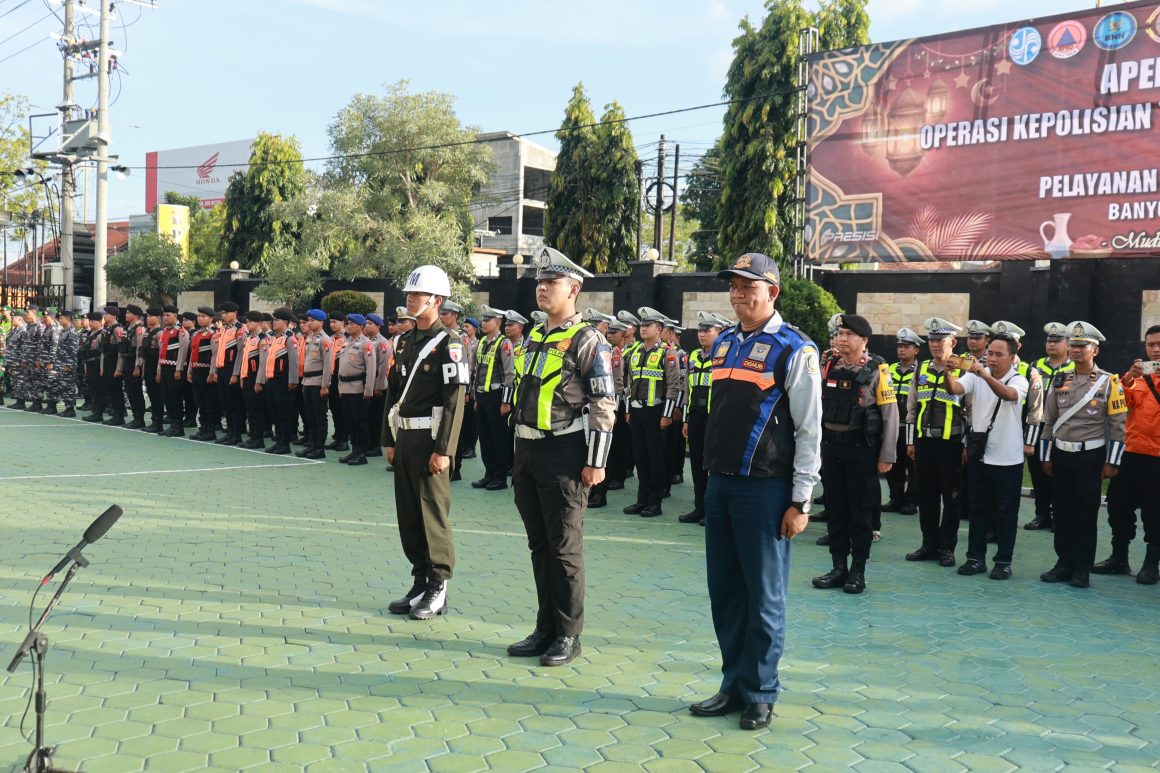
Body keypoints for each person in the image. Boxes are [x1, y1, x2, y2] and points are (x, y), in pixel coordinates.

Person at [688, 252, 821, 731]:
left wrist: (800, 499)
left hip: (765, 491)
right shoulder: (724, 343)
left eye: (750, 286)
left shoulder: (795, 349)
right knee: (725, 592)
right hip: (720, 487)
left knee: (764, 597)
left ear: (773, 292)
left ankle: (762, 692)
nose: (740, 293)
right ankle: (733, 684)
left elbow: (809, 430)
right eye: (735, 286)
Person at [506, 247, 616, 667]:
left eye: (550, 282)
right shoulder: (535, 335)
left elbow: (604, 402)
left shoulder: (588, 339)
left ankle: (569, 635)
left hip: (565, 452)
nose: (542, 288)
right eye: (539, 282)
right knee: (539, 546)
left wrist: (596, 460)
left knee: (564, 548)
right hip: (527, 449)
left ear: (574, 288)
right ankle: (545, 628)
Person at [382, 265, 468, 620]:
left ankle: (438, 585)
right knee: (409, 514)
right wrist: (388, 438)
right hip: (405, 435)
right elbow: (393, 392)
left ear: (435, 300)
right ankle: (419, 581)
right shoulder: (404, 341)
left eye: (416, 295)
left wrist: (444, 450)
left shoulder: (450, 343)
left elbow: (454, 401)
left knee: (432, 514)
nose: (410, 299)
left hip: (431, 439)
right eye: (409, 294)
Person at [811, 314, 897, 594]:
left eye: (849, 334)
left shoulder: (877, 371)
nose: (842, 339)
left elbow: (889, 416)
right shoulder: (829, 366)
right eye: (840, 334)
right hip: (831, 449)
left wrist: (887, 456)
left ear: (864, 340)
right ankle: (838, 567)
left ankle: (857, 571)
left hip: (861, 450)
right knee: (836, 510)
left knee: (860, 513)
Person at [1039, 322, 1127, 589]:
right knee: (1062, 512)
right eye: (1073, 345)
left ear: (1095, 350)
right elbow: (1049, 420)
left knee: (1086, 515)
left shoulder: (1109, 382)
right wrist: (1045, 456)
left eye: (1082, 345)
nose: (1076, 350)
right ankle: (1063, 563)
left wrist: (1112, 462)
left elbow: (1118, 426)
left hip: (1090, 457)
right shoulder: (1059, 379)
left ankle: (1081, 569)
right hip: (1062, 456)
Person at [945, 334, 1029, 580]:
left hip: (1008, 459)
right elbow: (956, 390)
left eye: (998, 354)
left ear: (1012, 358)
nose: (992, 358)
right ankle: (975, 558)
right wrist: (948, 373)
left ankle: (1003, 561)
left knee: (1006, 513)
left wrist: (985, 375)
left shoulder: (1019, 379)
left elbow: (1009, 395)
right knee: (977, 510)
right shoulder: (975, 374)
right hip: (980, 456)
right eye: (990, 353)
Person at [1092, 324, 1160, 583]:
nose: (1155, 350)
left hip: (1157, 457)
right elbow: (1118, 403)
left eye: (1159, 345)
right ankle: (1119, 557)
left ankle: (1151, 563)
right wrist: (1129, 377)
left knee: (1155, 513)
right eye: (1150, 345)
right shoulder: (1139, 378)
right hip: (1130, 453)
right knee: (1118, 507)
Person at [905, 317, 967, 568]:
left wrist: (965, 445)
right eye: (931, 340)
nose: (935, 345)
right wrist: (911, 441)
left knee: (950, 499)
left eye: (940, 340)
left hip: (951, 444)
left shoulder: (963, 369)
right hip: (924, 443)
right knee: (927, 496)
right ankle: (929, 544)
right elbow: (911, 407)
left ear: (952, 342)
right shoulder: (922, 368)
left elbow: (971, 410)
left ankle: (947, 548)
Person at [623, 307, 682, 517]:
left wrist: (667, 415)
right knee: (640, 457)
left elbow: (673, 386)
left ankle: (654, 503)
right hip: (637, 412)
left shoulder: (668, 352)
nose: (643, 329)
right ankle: (641, 500)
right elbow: (629, 383)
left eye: (648, 326)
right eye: (642, 325)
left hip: (656, 412)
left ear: (659, 329)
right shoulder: (636, 351)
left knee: (655, 459)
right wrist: (629, 409)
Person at [1024, 322, 1075, 530]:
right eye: (1049, 341)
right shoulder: (1036, 367)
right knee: (1037, 471)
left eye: (1057, 341)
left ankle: (1060, 515)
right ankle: (1042, 513)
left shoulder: (1075, 368)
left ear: (1068, 344)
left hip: (1064, 429)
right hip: (1039, 427)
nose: (1052, 345)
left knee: (1061, 473)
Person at [679, 312, 727, 525]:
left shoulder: (724, 357)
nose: (702, 334)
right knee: (697, 464)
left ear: (719, 332)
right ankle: (700, 508)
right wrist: (687, 419)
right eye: (700, 330)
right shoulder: (693, 356)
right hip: (696, 417)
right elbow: (688, 389)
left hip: (715, 419)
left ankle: (714, 511)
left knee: (714, 466)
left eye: (707, 330)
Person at [472, 306, 514, 491]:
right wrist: (475, 397)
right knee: (485, 438)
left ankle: (500, 477)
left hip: (497, 397)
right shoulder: (481, 342)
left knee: (499, 439)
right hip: (482, 396)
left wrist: (505, 401)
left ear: (498, 323)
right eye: (483, 320)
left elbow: (509, 374)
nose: (483, 323)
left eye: (488, 320)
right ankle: (489, 474)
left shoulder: (504, 343)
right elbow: (476, 370)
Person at [884, 328, 922, 515]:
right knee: (894, 465)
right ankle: (895, 499)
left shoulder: (921, 371)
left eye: (906, 346)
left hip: (913, 427)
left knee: (913, 467)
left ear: (916, 350)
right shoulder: (889, 369)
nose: (901, 350)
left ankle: (911, 501)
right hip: (893, 426)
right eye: (899, 346)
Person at [256, 308, 300, 455]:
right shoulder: (274, 338)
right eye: (273, 320)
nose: (274, 322)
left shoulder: (290, 338)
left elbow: (294, 361)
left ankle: (285, 443)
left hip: (283, 381)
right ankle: (279, 440)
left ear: (286, 322)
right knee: (274, 412)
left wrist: (293, 380)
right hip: (272, 380)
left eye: (277, 320)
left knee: (283, 413)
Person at [335, 312, 376, 465]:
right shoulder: (347, 342)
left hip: (358, 388)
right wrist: (339, 386)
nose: (349, 326)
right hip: (345, 387)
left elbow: (371, 369)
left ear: (361, 326)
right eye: (348, 323)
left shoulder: (366, 344)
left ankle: (362, 454)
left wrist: (368, 390)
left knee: (360, 423)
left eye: (353, 324)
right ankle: (354, 451)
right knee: (349, 422)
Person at [297, 309, 333, 459]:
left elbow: (328, 365)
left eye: (312, 320)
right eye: (309, 320)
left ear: (320, 322)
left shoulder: (325, 340)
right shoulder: (310, 338)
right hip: (308, 381)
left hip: (318, 382)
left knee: (319, 416)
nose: (309, 322)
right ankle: (311, 445)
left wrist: (325, 385)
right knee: (309, 416)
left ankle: (319, 448)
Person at [210, 301, 246, 445]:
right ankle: (230, 432)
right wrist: (217, 370)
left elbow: (240, 354)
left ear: (235, 313)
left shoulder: (240, 329)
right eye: (222, 313)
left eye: (226, 312)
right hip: (223, 369)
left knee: (235, 403)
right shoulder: (224, 329)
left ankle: (236, 433)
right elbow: (219, 352)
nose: (224, 315)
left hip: (232, 370)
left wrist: (236, 374)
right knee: (225, 403)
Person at [187, 306, 222, 441]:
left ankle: (210, 430)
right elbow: (192, 355)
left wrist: (212, 372)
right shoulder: (196, 334)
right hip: (196, 370)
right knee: (199, 401)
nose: (200, 319)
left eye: (203, 316)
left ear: (211, 319)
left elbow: (215, 355)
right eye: (199, 316)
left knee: (209, 402)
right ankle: (203, 428)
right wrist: (190, 370)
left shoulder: (213, 334)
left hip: (206, 371)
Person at [235, 310, 268, 449]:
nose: (247, 324)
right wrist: (242, 377)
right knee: (249, 408)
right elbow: (244, 360)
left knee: (257, 409)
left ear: (259, 323)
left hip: (255, 378)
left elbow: (263, 362)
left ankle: (258, 438)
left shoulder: (263, 339)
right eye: (247, 321)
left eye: (250, 321)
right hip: (247, 377)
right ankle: (252, 435)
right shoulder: (249, 338)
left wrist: (259, 381)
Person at [156, 306, 190, 437]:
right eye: (164, 315)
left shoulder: (180, 332)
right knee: (167, 397)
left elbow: (183, 352)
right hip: (164, 367)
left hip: (175, 368)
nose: (165, 318)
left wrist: (179, 369)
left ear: (175, 316)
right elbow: (161, 352)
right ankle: (172, 424)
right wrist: (159, 370)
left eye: (168, 315)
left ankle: (178, 426)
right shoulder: (164, 331)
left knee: (175, 397)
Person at [364, 313, 390, 460]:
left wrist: (378, 386)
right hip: (367, 384)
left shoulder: (382, 343)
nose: (366, 326)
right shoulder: (365, 341)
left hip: (377, 386)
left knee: (376, 417)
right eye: (366, 323)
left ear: (378, 326)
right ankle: (369, 443)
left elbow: (383, 366)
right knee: (367, 416)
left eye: (370, 323)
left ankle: (376, 446)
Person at [325, 312, 350, 452]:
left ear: (343, 323)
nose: (332, 324)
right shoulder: (330, 339)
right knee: (334, 409)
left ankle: (344, 440)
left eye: (335, 322)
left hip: (342, 378)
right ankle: (338, 437)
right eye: (331, 322)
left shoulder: (347, 339)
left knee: (343, 410)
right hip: (332, 378)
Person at [121, 305, 148, 428]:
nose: (126, 315)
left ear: (136, 315)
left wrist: (138, 366)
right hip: (127, 360)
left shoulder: (139, 329)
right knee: (129, 390)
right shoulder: (128, 328)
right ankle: (135, 417)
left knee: (136, 391)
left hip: (134, 362)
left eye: (128, 313)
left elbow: (139, 349)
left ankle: (139, 418)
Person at [99, 306, 127, 427]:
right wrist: (102, 366)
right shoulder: (106, 329)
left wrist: (119, 368)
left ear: (114, 316)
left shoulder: (117, 329)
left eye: (107, 314)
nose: (104, 316)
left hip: (115, 362)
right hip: (107, 361)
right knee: (110, 389)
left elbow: (121, 351)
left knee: (116, 390)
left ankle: (119, 415)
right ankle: (116, 413)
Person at [140, 308, 165, 433]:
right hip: (148, 365)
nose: (148, 318)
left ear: (159, 318)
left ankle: (158, 422)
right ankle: (154, 419)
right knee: (151, 394)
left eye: (151, 316)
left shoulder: (160, 333)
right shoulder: (148, 332)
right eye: (148, 316)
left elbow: (161, 354)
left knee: (157, 396)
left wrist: (159, 372)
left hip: (156, 366)